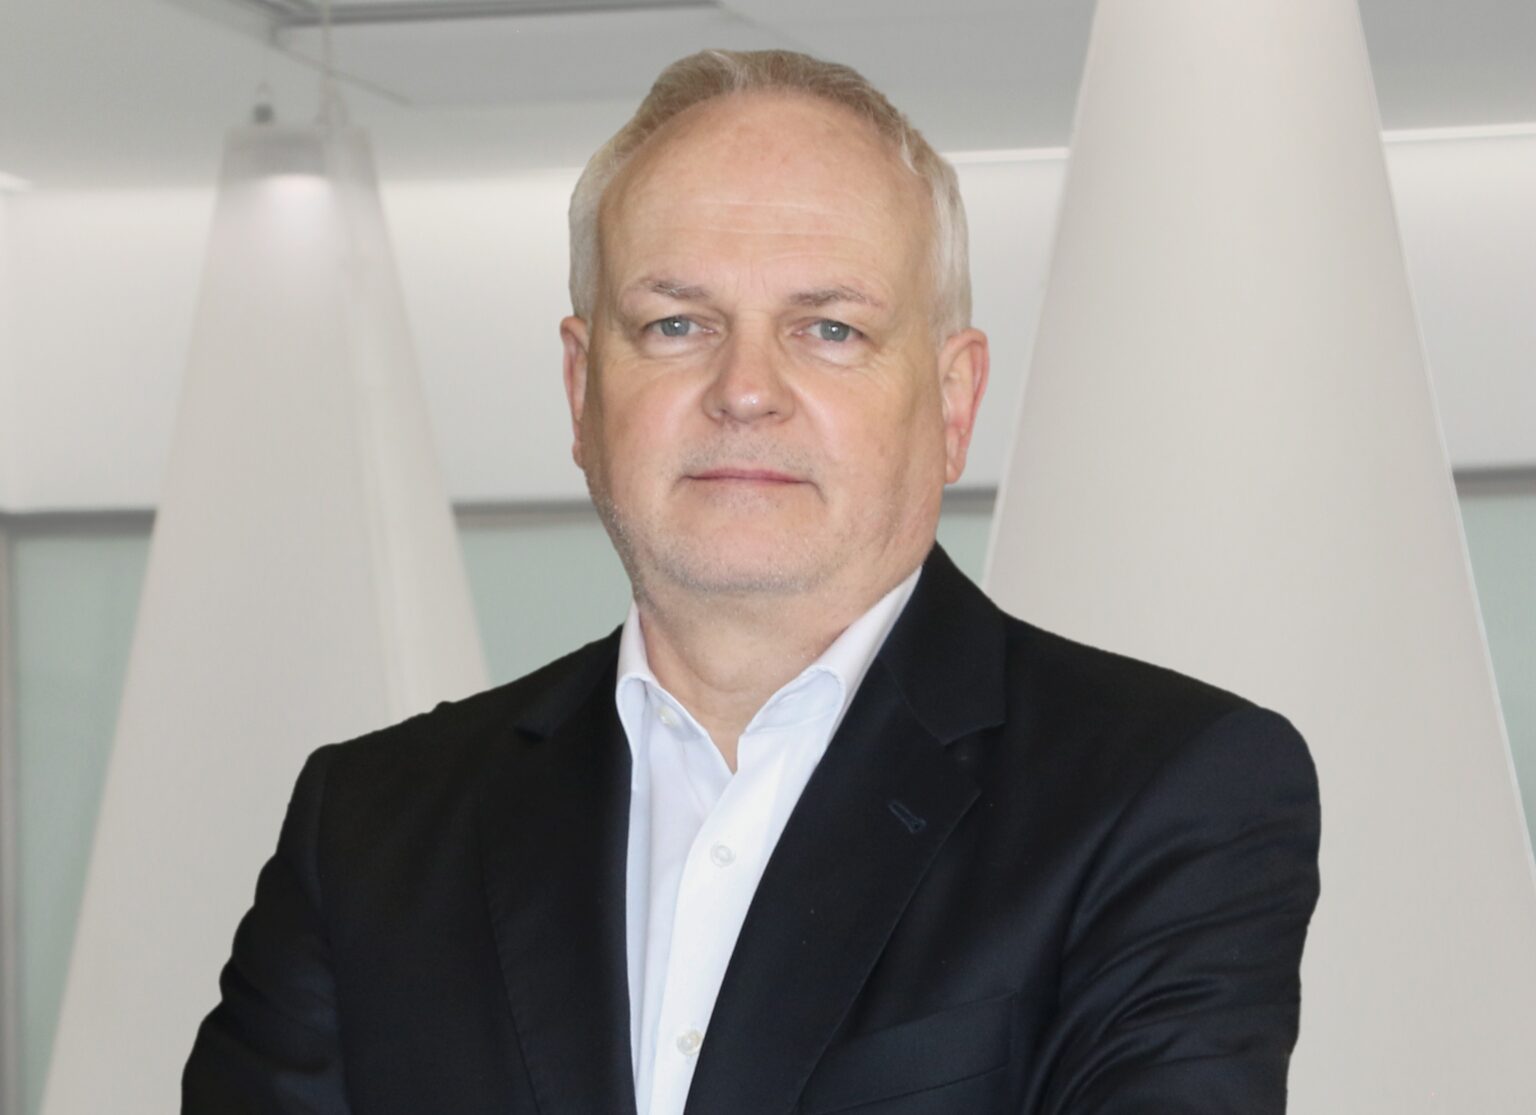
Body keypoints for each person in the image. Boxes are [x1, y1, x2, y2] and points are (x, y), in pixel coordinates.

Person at [184, 48, 1320, 1115]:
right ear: (582, 387)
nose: (744, 389)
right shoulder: (371, 828)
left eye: (828, 329)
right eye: (677, 323)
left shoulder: (1165, 792)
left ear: (953, 399)